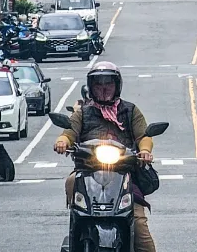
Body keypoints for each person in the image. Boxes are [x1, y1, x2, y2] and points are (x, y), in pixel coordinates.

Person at [54, 62, 157, 252]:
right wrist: (62, 142)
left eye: (108, 84)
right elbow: (69, 132)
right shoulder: (83, 113)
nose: (103, 88)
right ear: (91, 87)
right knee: (71, 182)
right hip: (88, 173)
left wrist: (145, 150)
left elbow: (144, 136)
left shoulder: (130, 111)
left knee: (139, 225)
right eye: (98, 84)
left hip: (124, 175)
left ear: (117, 86)